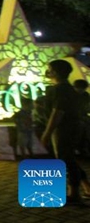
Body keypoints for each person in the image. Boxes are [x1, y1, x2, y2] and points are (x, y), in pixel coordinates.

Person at [39, 59, 86, 205]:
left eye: (50, 69)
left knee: (65, 159)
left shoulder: (60, 89)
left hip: (64, 128)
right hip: (70, 127)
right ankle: (84, 188)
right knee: (68, 157)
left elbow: (57, 112)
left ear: (57, 72)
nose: (48, 71)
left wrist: (47, 132)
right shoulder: (66, 88)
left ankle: (75, 194)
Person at [74, 79, 90, 157]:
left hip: (82, 117)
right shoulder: (71, 95)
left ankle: (83, 148)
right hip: (74, 118)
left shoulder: (85, 95)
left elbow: (86, 107)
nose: (82, 91)